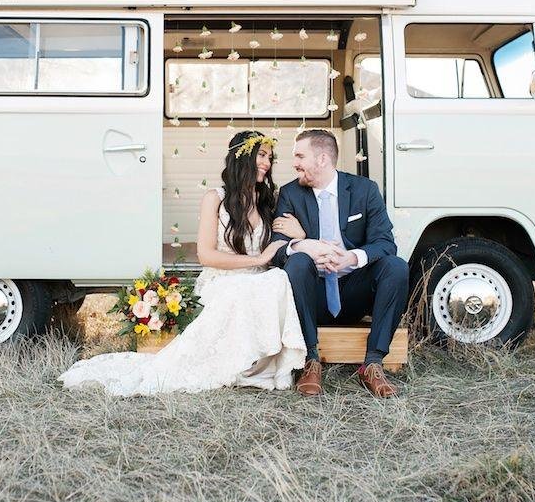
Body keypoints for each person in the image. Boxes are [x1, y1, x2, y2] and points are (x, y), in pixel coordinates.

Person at [58, 131, 308, 396]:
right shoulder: (216, 198)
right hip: (222, 279)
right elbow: (206, 255)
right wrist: (258, 259)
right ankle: (238, 366)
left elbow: (285, 238)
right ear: (242, 157)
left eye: (270, 157)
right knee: (246, 289)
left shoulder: (270, 200)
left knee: (276, 281)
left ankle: (261, 367)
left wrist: (300, 235)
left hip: (259, 279)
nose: (267, 163)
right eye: (261, 155)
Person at [270, 129, 409, 398]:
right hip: (312, 294)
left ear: (322, 159)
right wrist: (305, 245)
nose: (294, 163)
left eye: (300, 156)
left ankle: (373, 363)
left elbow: (384, 243)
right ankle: (310, 361)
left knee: (396, 266)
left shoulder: (364, 190)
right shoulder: (290, 194)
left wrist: (352, 257)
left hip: (354, 289)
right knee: (297, 261)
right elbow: (276, 249)